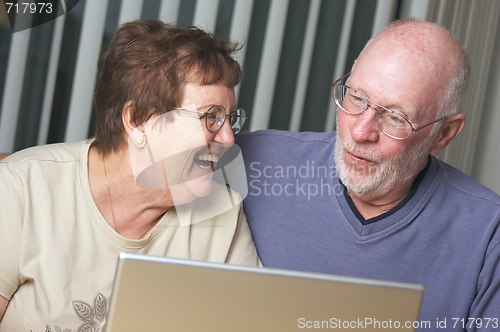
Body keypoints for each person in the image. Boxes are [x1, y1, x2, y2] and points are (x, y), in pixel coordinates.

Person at [237, 18, 500, 330]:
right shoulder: (248, 160)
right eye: (357, 98)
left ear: (444, 134)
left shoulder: (488, 234)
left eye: (395, 118)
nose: (360, 131)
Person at [0, 19, 260, 330]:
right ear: (138, 121)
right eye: (211, 117)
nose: (229, 139)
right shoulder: (21, 189)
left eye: (229, 118)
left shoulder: (224, 215)